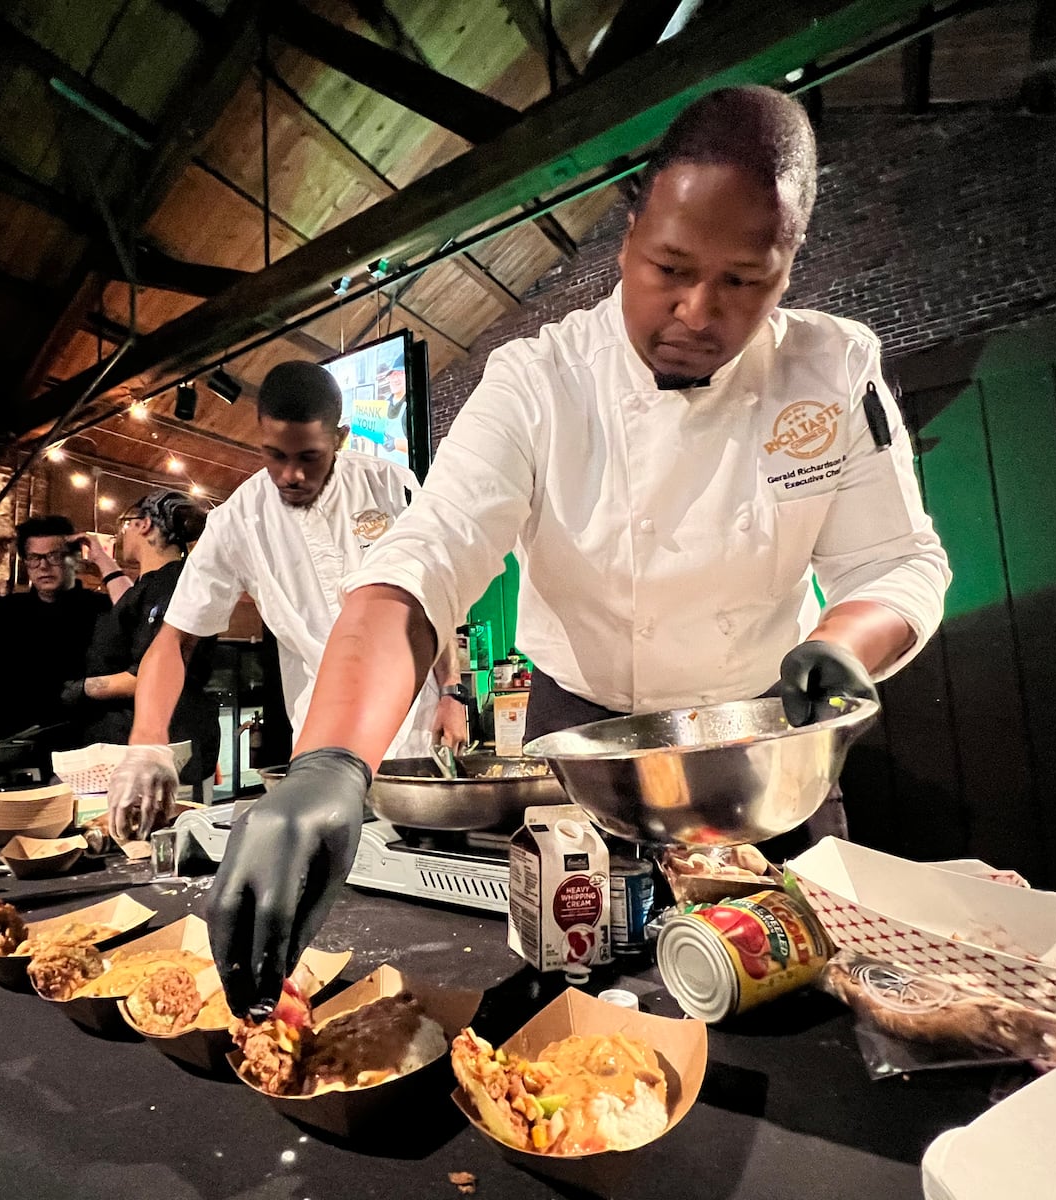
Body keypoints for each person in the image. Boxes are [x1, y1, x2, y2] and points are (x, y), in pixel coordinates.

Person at [206, 86, 953, 1018]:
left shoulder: (835, 368)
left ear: (790, 266)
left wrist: (845, 644)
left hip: (763, 756)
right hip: (582, 749)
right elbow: (423, 561)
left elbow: (898, 563)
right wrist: (328, 763)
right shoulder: (537, 380)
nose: (696, 309)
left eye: (743, 280)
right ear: (628, 232)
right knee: (575, 1013)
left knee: (802, 1015)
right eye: (669, 266)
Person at [105, 360, 469, 841]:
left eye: (309, 457)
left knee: (428, 856)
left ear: (339, 438)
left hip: (416, 729)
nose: (290, 474)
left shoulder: (390, 485)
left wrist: (451, 690)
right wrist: (147, 742)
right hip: (321, 735)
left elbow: (429, 598)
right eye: (275, 456)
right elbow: (175, 639)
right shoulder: (235, 523)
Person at [66, 490, 222, 798]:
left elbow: (147, 676)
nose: (123, 532)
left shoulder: (172, 584)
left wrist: (80, 688)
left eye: (127, 523)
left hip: (158, 750)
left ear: (145, 524)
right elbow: (131, 605)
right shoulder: (162, 583)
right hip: (162, 743)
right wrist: (101, 559)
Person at [0, 515, 119, 741]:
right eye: (34, 558)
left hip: (80, 746)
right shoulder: (3, 611)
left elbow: (139, 615)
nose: (43, 565)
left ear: (75, 559)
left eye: (54, 556)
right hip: (6, 746)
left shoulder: (100, 609)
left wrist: (102, 558)